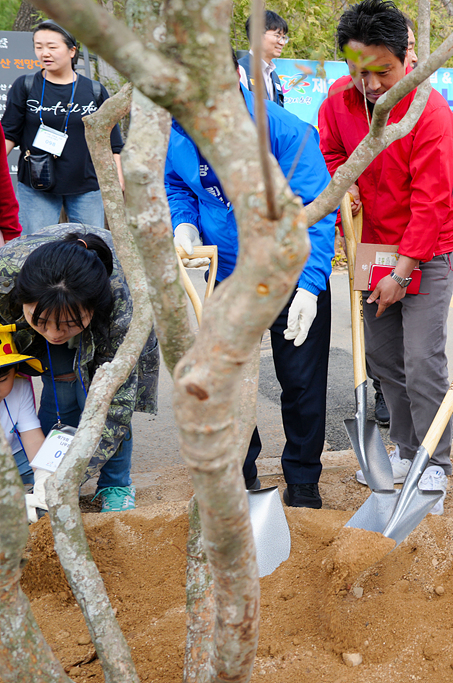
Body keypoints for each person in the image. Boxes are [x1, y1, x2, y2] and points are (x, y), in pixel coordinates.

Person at [167, 65, 335, 509]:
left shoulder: (284, 132)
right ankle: (241, 477)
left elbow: (315, 212)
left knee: (301, 383)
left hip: (289, 275)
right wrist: (183, 223)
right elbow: (176, 183)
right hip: (228, 277)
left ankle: (302, 479)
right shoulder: (178, 127)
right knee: (230, 384)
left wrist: (310, 287)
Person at [318, 0, 453, 510]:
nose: (373, 84)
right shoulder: (338, 102)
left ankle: (434, 464)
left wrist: (403, 271)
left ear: (407, 59)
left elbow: (432, 202)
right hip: (373, 242)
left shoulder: (432, 113)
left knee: (422, 358)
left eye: (385, 71)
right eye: (360, 72)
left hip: (427, 248)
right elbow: (333, 154)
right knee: (382, 356)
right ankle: (405, 448)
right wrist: (345, 187)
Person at [0, 225, 159, 512]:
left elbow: (116, 410)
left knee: (100, 397)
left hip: (104, 310)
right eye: (41, 323)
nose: (53, 334)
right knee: (61, 383)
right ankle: (48, 471)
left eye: (67, 326)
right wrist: (47, 477)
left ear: (93, 309)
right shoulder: (4, 278)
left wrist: (71, 476)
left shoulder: (121, 306)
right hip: (50, 289)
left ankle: (115, 483)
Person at [1, 21, 123, 235]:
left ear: (71, 50)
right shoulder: (25, 86)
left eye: (52, 46)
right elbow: (9, 133)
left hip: (86, 185)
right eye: (38, 47)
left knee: (89, 249)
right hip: (36, 184)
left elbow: (113, 142)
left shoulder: (94, 90)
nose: (44, 53)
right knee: (35, 248)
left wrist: (118, 179)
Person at [0, 328, 45, 486]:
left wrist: (42, 478)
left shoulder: (20, 387)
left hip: (16, 458)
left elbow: (32, 438)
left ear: (16, 371)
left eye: (2, 380)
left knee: (53, 472)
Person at [238, 10, 288, 107]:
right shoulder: (241, 71)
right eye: (277, 36)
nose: (282, 43)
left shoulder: (274, 76)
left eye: (284, 37)